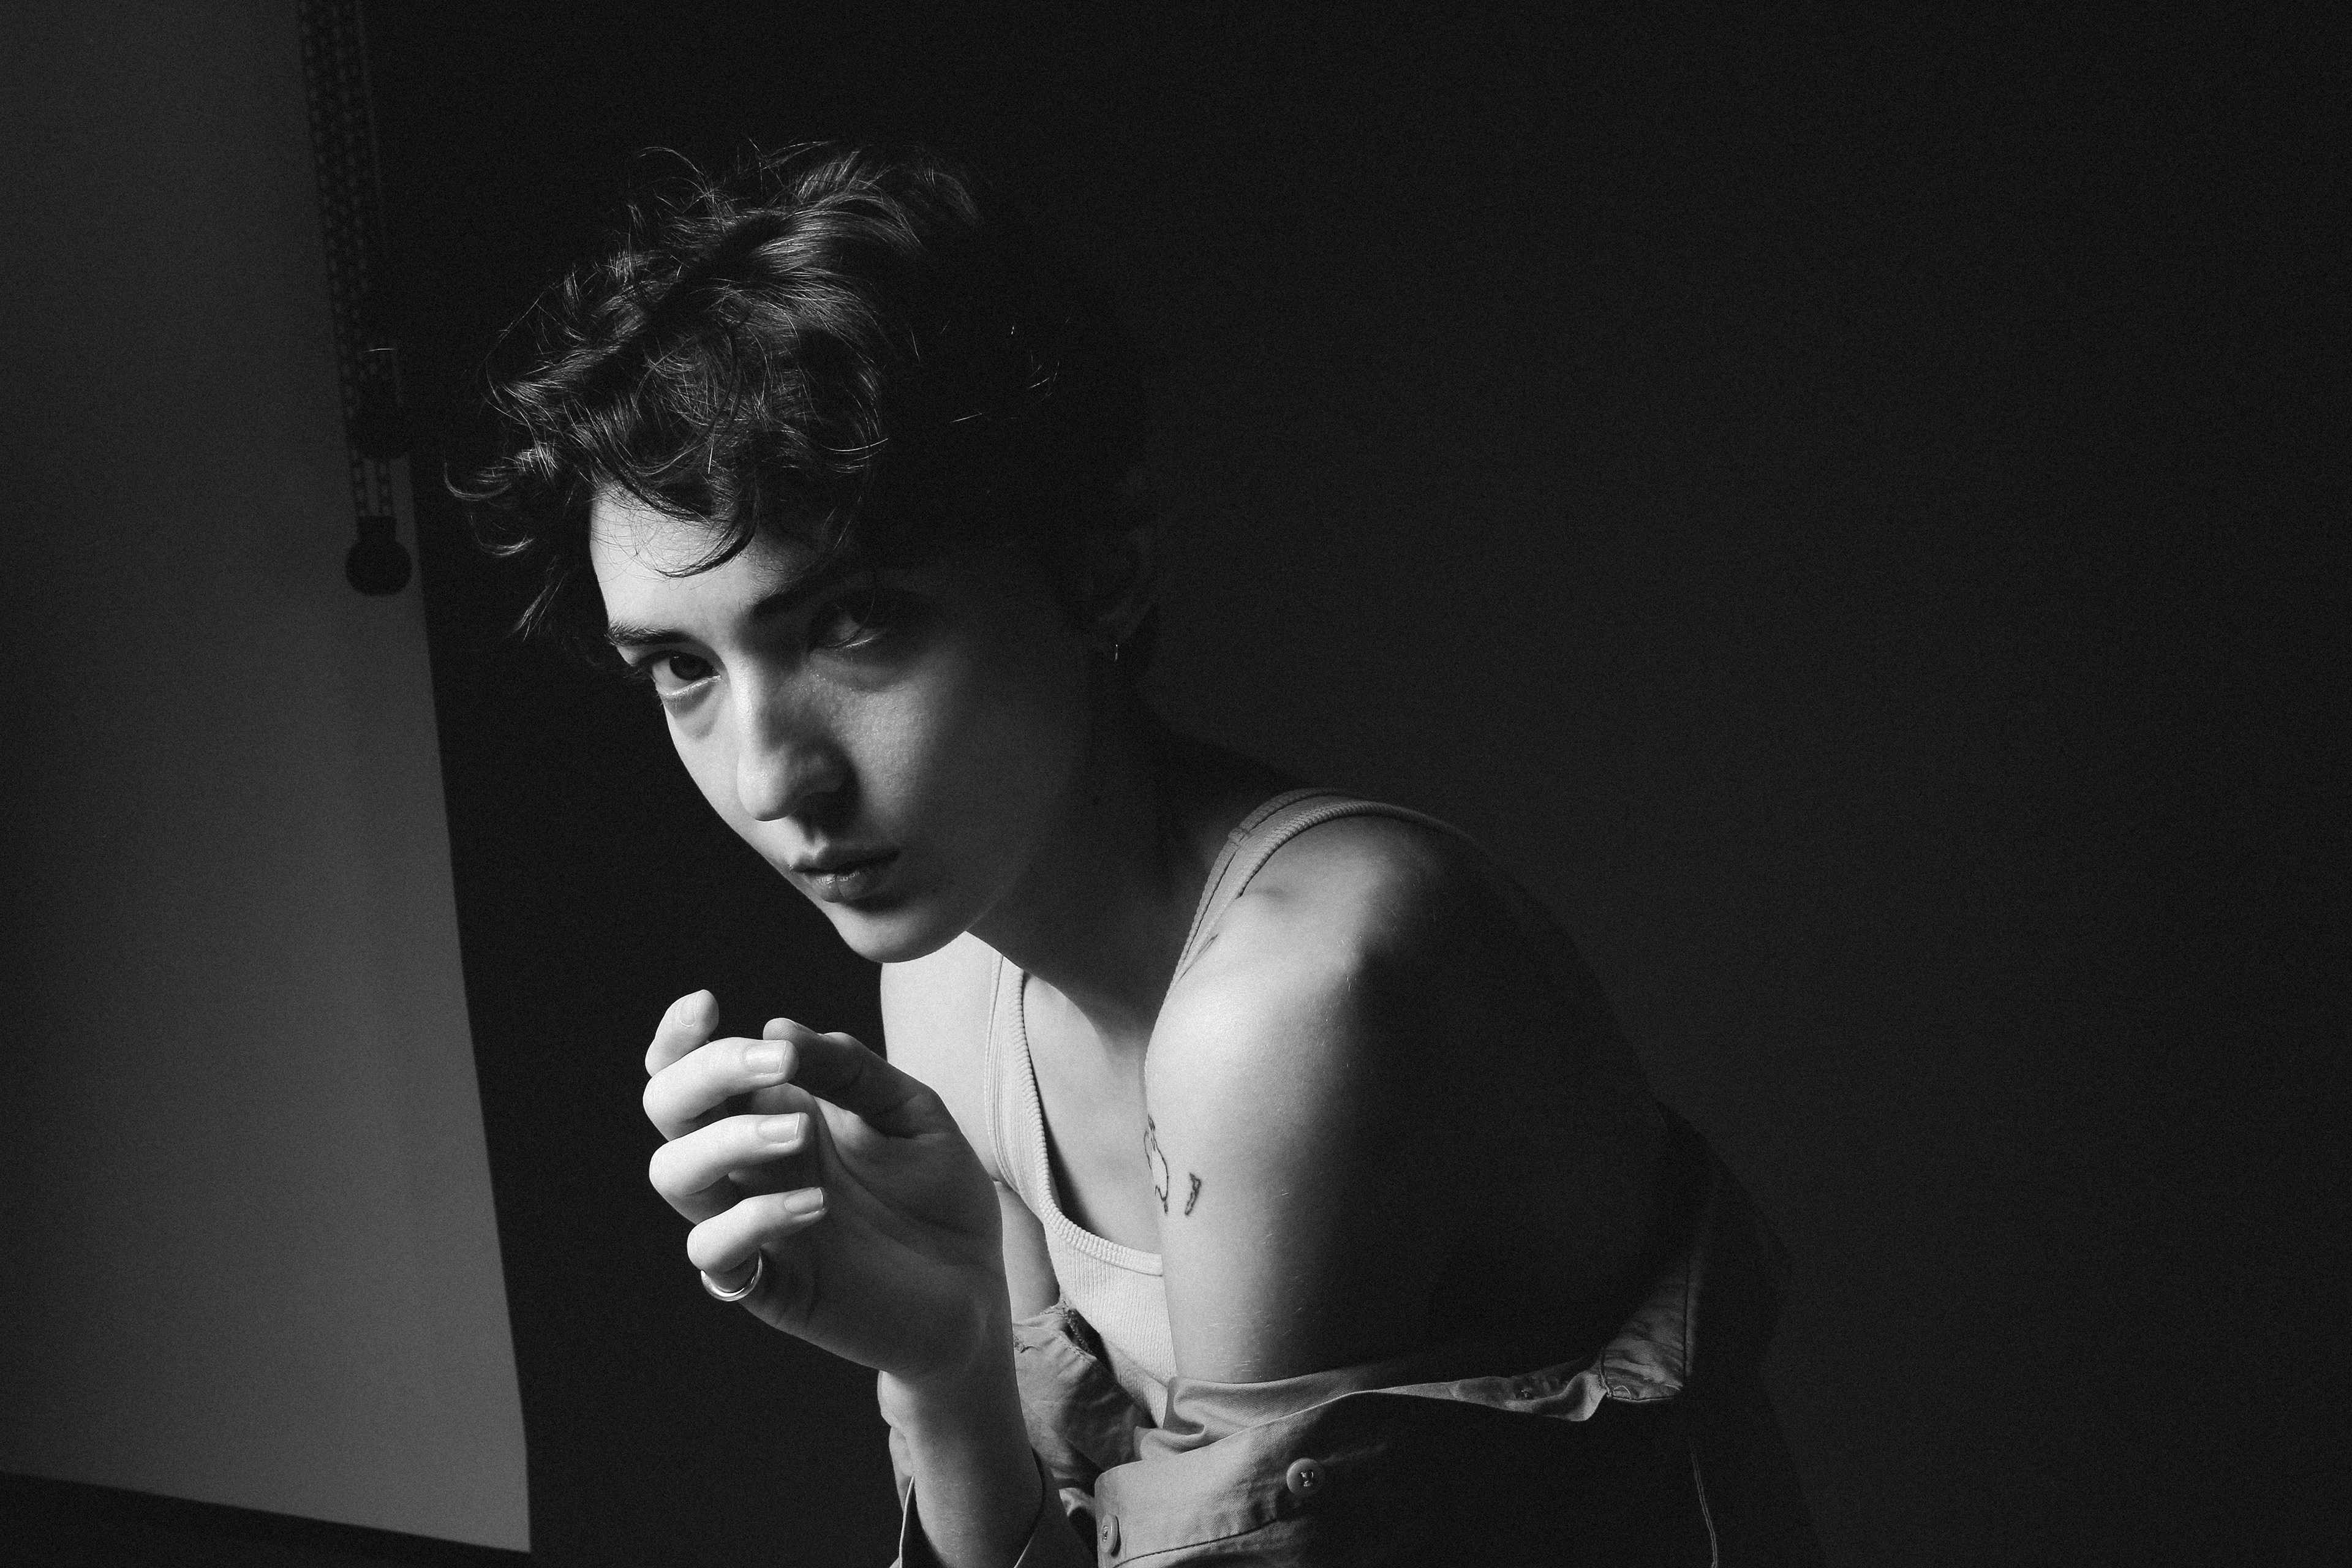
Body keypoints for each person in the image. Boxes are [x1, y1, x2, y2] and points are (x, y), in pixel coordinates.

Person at [467, 141, 1821, 1566]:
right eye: (682, 668)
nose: (768, 775)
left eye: (854, 619)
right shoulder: (952, 970)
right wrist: (945, 1362)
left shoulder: (1293, 1002)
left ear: (1100, 566)